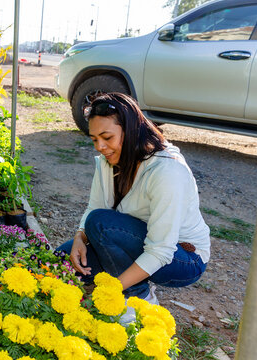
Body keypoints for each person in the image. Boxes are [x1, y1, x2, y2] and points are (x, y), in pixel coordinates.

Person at [58, 92, 210, 303]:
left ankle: (138, 298)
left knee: (102, 224)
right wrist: (79, 238)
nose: (100, 147)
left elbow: (161, 250)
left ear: (130, 131)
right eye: (94, 139)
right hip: (135, 241)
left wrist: (112, 291)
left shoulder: (167, 171)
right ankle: (122, 279)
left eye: (107, 137)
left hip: (182, 258)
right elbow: (95, 206)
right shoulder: (107, 159)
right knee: (60, 261)